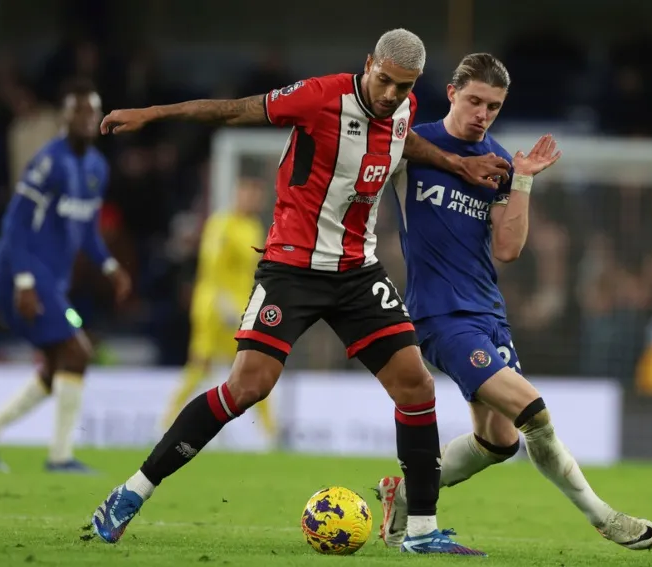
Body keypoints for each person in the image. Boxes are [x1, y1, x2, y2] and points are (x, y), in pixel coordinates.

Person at [91, 28, 509, 555]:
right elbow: (231, 111)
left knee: (416, 386)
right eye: (383, 81)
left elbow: (406, 138)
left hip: (358, 271)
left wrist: (459, 163)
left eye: (402, 87)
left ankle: (421, 530)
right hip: (293, 267)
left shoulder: (402, 108)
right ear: (368, 64)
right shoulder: (319, 97)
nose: (390, 95)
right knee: (248, 386)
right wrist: (151, 115)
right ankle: (131, 492)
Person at [377, 53, 652, 551]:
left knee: (499, 441)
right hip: (440, 316)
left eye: (493, 106)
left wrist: (523, 177)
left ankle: (402, 495)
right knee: (534, 412)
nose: (482, 114)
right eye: (474, 101)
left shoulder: (501, 163)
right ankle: (604, 517)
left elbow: (508, 248)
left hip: (488, 315)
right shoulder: (414, 145)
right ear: (451, 93)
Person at [0, 78, 131, 474]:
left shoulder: (96, 168)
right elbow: (15, 223)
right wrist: (23, 282)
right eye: (79, 112)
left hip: (50, 276)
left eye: (93, 111)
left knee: (60, 364)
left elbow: (86, 230)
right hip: (18, 269)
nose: (87, 119)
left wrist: (110, 267)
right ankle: (59, 457)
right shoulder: (48, 162)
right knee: (78, 352)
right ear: (64, 117)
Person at [162, 176, 277, 444]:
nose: (251, 199)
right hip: (214, 308)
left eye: (256, 195)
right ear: (237, 194)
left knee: (257, 364)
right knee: (200, 365)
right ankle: (166, 423)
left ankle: (271, 435)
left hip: (240, 309)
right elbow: (211, 266)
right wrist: (222, 301)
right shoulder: (221, 224)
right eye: (247, 192)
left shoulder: (253, 227)